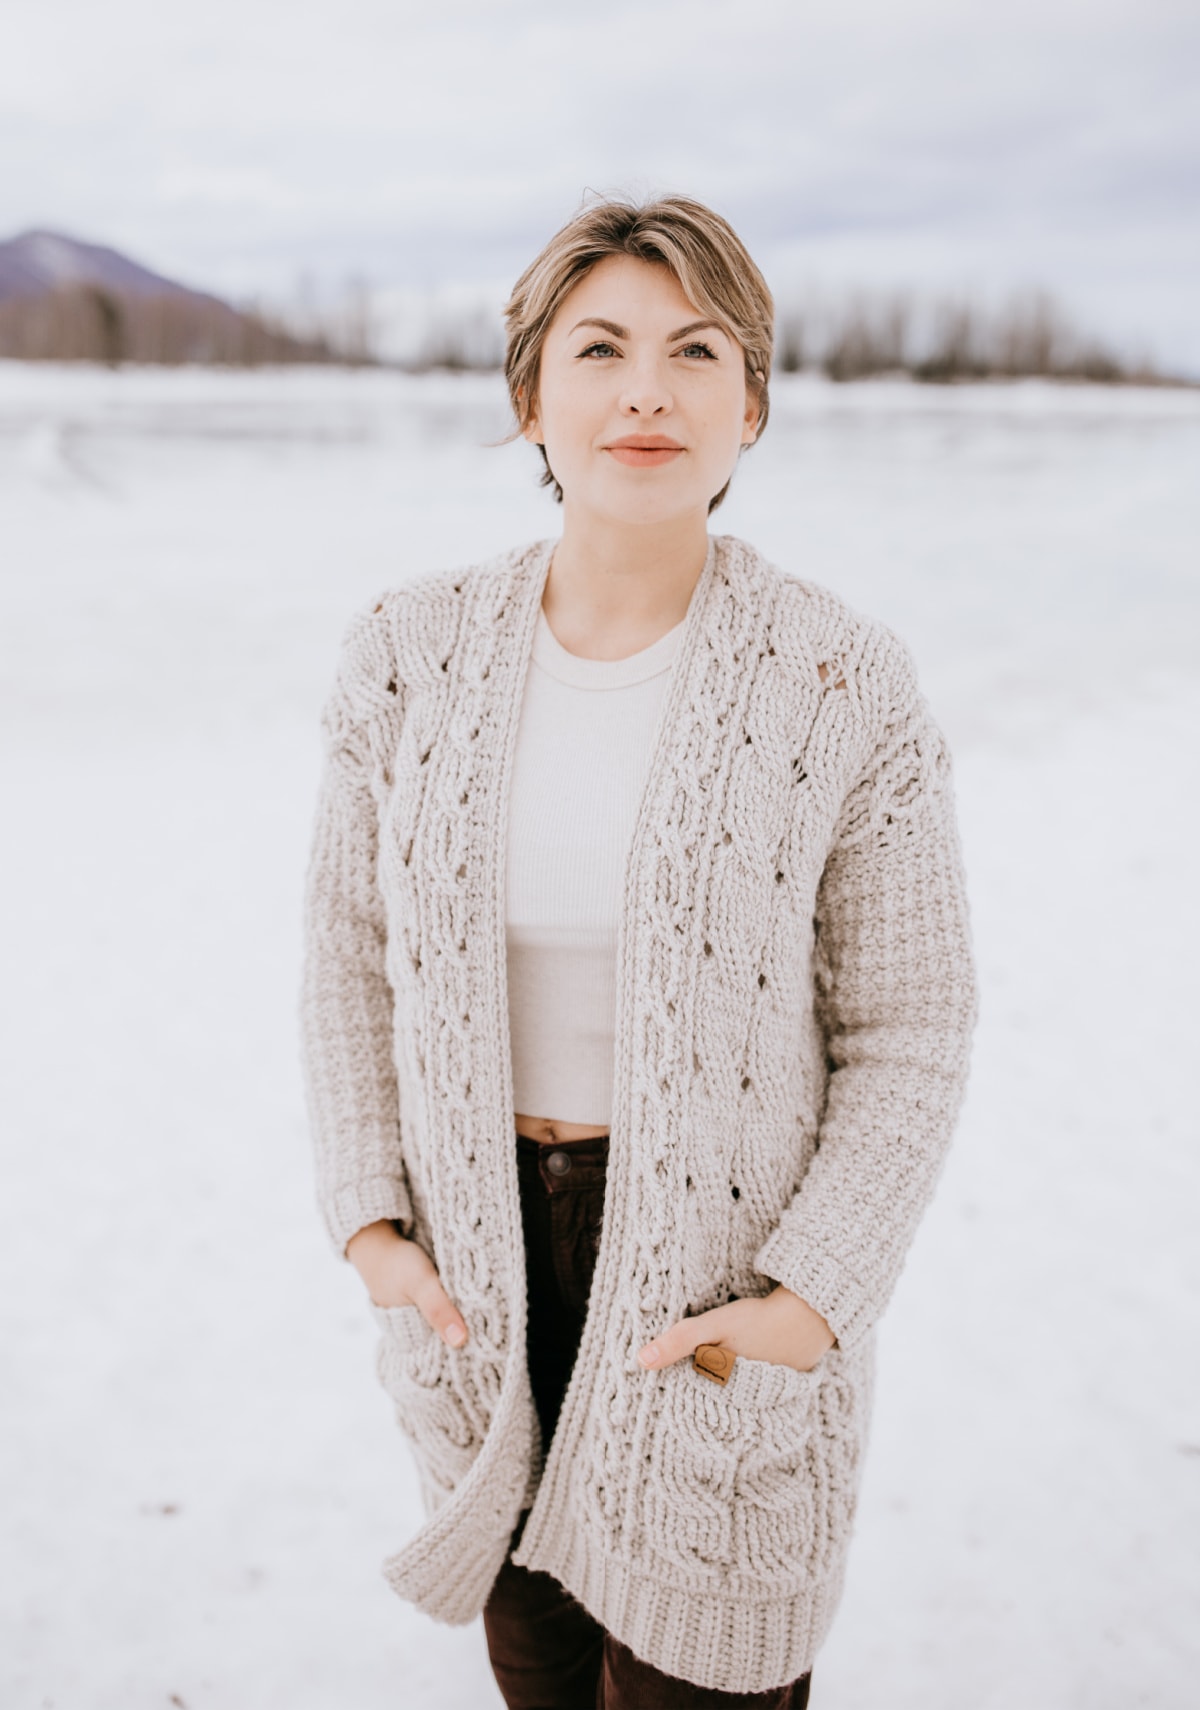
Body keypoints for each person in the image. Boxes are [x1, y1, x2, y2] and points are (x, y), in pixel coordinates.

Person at [299, 193, 978, 1707]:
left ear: (754, 403)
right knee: (536, 1670)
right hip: (481, 1284)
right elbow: (349, 958)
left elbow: (912, 1028)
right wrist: (370, 1224)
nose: (646, 391)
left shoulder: (839, 681)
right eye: (599, 346)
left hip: (715, 1294)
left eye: (696, 350)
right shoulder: (405, 654)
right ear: (532, 393)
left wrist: (813, 1294)